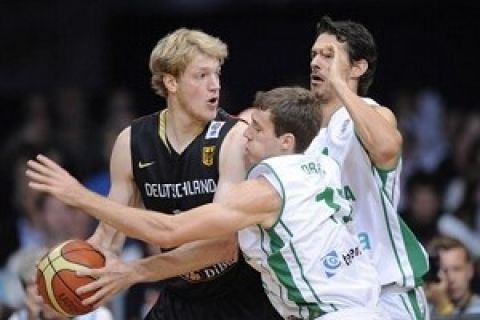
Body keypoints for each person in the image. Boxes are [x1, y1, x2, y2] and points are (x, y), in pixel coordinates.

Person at [27, 86, 384, 319]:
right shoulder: (322, 164)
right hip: (362, 304)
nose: (244, 134)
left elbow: (169, 228)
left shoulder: (265, 191)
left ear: (286, 141)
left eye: (257, 129)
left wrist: (79, 197)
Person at [44, 28, 280, 320]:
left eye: (217, 74)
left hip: (242, 296)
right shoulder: (132, 141)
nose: (215, 85)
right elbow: (109, 234)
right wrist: (76, 275)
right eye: (201, 76)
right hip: (180, 293)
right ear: (171, 81)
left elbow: (222, 246)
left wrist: (133, 271)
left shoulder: (234, 138)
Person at [304, 16, 429, 319]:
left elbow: (387, 147)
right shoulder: (307, 139)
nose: (316, 63)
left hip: (386, 291)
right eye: (314, 55)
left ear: (358, 68)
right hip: (339, 294)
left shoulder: (372, 113)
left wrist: (339, 85)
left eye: (328, 55)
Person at [7, 247, 113, 320]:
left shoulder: (97, 315)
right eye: (31, 284)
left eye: (41, 282)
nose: (39, 291)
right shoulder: (17, 318)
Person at [425, 236, 480, 317]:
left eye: (457, 269)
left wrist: (444, 306)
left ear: (470, 270)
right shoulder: (424, 308)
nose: (451, 278)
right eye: (444, 270)